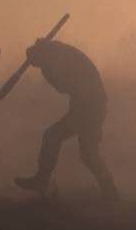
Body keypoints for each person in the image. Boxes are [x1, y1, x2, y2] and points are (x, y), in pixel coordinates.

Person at [14, 39, 117, 199]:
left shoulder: (56, 59)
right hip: (90, 107)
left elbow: (61, 87)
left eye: (39, 64)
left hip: (89, 109)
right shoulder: (59, 52)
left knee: (57, 139)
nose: (40, 67)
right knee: (87, 154)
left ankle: (42, 180)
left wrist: (45, 69)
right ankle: (111, 194)